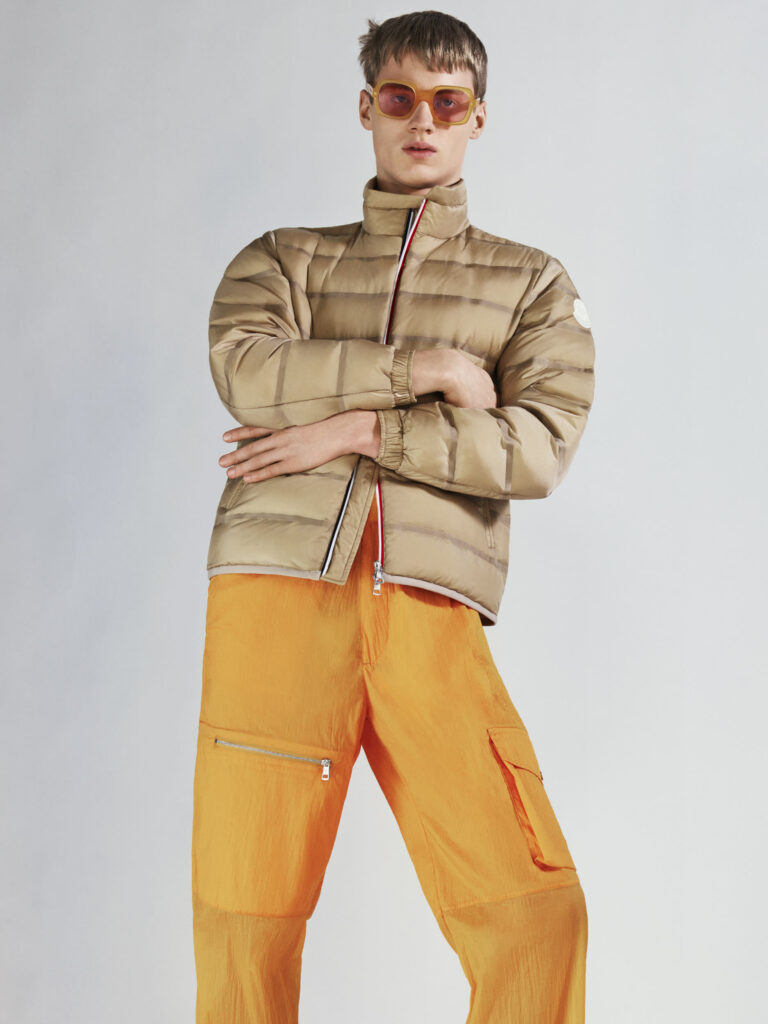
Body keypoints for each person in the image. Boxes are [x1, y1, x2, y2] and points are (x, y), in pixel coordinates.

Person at [191, 10, 595, 1022]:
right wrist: (431, 370)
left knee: (537, 918)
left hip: (427, 605)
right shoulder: (281, 261)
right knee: (247, 922)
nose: (424, 121)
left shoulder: (532, 285)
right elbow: (248, 372)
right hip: (277, 601)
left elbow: (536, 447)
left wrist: (356, 428)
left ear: (478, 118)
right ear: (367, 107)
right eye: (402, 98)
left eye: (448, 103)